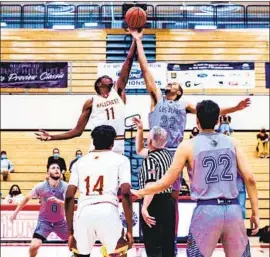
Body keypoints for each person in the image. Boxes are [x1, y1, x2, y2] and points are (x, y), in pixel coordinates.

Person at [130, 28, 251, 255]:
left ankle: (173, 243)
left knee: (172, 200)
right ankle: (152, 235)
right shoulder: (156, 98)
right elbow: (145, 70)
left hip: (176, 151)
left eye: (174, 83)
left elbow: (210, 110)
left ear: (179, 91)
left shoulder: (185, 105)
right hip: (157, 152)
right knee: (152, 192)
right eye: (169, 83)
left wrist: (235, 107)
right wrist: (138, 42)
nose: (171, 84)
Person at [131, 100, 260, 257]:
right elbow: (250, 179)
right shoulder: (233, 142)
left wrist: (141, 192)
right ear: (219, 120)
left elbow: (166, 182)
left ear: (197, 121)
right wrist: (255, 213)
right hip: (233, 210)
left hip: (206, 210)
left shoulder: (187, 146)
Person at [35, 38, 137, 155]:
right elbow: (77, 131)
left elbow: (128, 61)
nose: (110, 78)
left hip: (117, 143)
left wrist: (135, 40)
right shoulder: (91, 102)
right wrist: (52, 137)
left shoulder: (118, 92)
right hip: (97, 146)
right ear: (99, 83)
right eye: (105, 77)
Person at [65, 125, 134, 257]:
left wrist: (70, 233)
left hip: (84, 211)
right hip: (107, 210)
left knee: (80, 254)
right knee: (118, 254)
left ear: (93, 141)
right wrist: (129, 229)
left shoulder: (79, 163)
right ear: (113, 143)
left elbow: (69, 196)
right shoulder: (121, 160)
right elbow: (125, 192)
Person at [133, 118, 175, 257]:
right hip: (168, 203)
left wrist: (144, 208)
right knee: (167, 245)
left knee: (154, 246)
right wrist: (140, 129)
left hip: (154, 203)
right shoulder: (167, 154)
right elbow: (139, 150)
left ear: (150, 141)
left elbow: (151, 185)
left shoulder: (150, 159)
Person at [10, 163, 68, 257]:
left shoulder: (65, 186)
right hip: (44, 222)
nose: (56, 169)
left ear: (61, 173)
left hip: (60, 222)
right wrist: (15, 213)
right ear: (48, 173)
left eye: (58, 168)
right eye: (53, 168)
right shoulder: (40, 187)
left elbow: (70, 204)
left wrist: (58, 201)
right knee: (34, 246)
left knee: (74, 245)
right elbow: (26, 198)